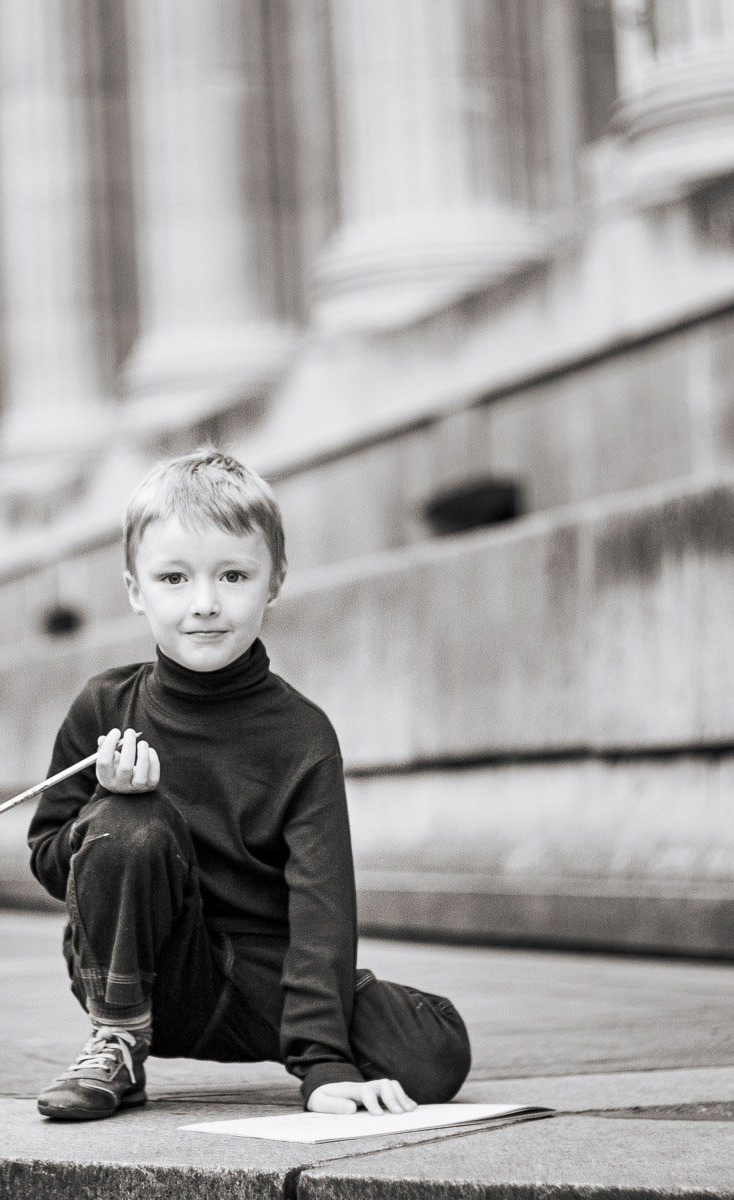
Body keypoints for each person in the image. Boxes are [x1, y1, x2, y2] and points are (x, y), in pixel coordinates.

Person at [28, 448, 471, 1121]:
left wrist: (324, 1064)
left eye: (233, 574)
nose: (204, 603)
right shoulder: (104, 708)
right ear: (133, 589)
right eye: (173, 579)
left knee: (431, 1049)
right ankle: (116, 1043)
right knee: (131, 824)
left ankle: (312, 1037)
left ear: (275, 580)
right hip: (143, 972)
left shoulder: (302, 736)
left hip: (261, 977)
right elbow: (50, 861)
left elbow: (322, 905)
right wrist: (106, 802)